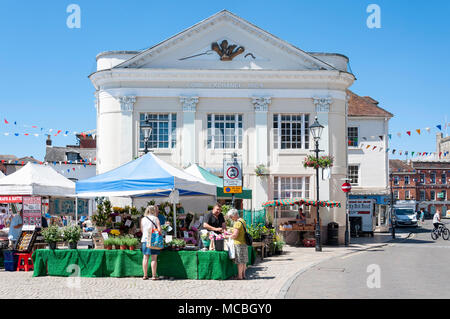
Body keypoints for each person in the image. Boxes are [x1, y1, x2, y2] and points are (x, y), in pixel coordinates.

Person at [225, 209, 248, 280]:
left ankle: (240, 276)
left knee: (239, 261)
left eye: (231, 217)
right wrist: (230, 231)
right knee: (244, 261)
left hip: (238, 243)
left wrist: (226, 236)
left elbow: (235, 235)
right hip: (244, 242)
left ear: (235, 215)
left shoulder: (237, 223)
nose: (231, 219)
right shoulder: (242, 220)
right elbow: (240, 231)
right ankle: (243, 275)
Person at [140, 205, 162, 280]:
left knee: (145, 257)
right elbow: (159, 230)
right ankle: (153, 275)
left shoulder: (143, 219)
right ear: (154, 211)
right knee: (154, 258)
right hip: (153, 240)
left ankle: (145, 275)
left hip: (145, 240)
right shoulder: (156, 218)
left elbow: (142, 230)